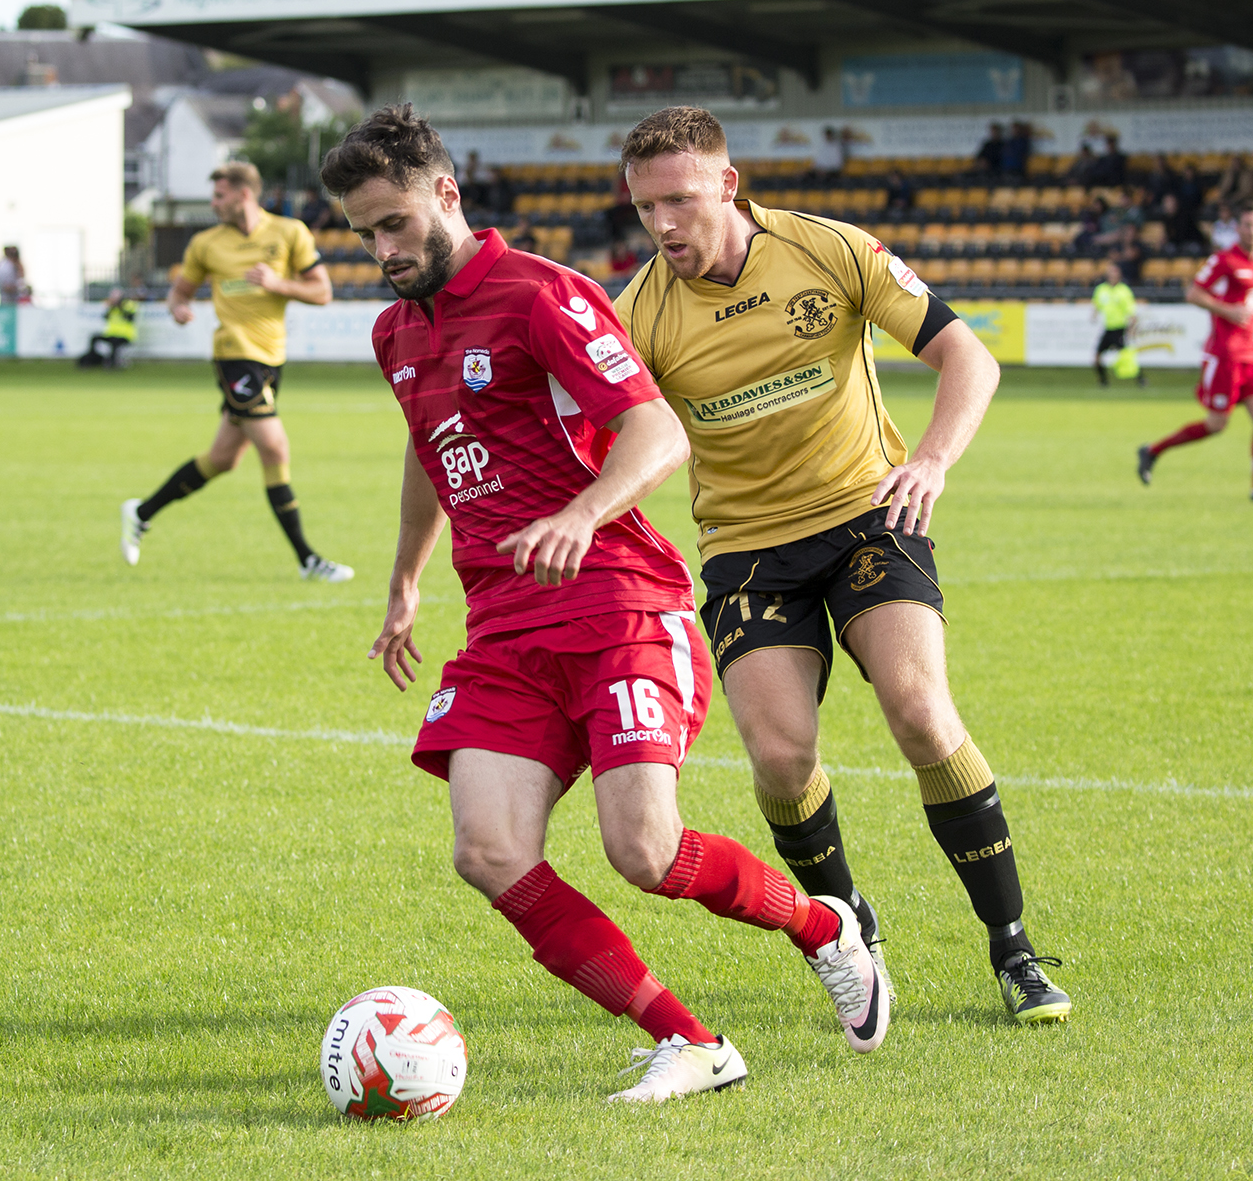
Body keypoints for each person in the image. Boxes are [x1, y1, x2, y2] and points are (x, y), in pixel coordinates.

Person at [321, 104, 884, 1104]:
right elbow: (428, 449)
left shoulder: (543, 295)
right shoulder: (393, 332)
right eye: (364, 234)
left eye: (395, 223)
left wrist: (582, 514)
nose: (382, 250)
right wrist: (407, 578)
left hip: (617, 603)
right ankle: (694, 1041)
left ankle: (822, 925)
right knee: (488, 850)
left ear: (445, 194)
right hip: (503, 625)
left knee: (645, 851)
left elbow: (656, 432)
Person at [614, 105, 1073, 1028]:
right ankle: (850, 924)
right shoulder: (641, 312)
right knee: (782, 760)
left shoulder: (829, 251)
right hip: (747, 549)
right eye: (644, 209)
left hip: (870, 517)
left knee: (920, 710)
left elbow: (965, 357)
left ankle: (1013, 945)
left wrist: (932, 458)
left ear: (728, 185)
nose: (663, 227)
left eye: (680, 201)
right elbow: (616, 432)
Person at [119, 161, 352, 582]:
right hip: (234, 355)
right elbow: (179, 292)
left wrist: (277, 284)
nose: (213, 203)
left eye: (219, 196)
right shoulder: (206, 243)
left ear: (244, 194)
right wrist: (179, 308)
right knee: (275, 449)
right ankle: (308, 560)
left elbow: (322, 292)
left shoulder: (289, 232)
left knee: (223, 459)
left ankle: (141, 512)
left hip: (271, 359)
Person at [1136, 200, 1253, 501]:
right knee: (1216, 424)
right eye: (1247, 225)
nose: (1252, 231)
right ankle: (1153, 451)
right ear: (1238, 228)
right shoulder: (1224, 260)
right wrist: (1227, 311)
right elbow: (1193, 293)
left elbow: (1249, 307)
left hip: (1252, 355)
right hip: (1225, 355)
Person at [1090, 258, 1143, 387]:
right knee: (1097, 355)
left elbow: (1131, 311)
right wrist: (1094, 314)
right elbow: (1097, 305)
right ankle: (1103, 381)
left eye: (1115, 273)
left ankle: (1140, 379)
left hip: (1120, 328)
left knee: (1127, 357)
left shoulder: (1123, 291)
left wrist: (1132, 327)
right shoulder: (1101, 290)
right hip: (1108, 328)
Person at [78, 288, 139, 368]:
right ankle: (93, 359)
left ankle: (113, 362)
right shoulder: (112, 307)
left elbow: (130, 318)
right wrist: (111, 307)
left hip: (125, 335)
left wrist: (120, 307)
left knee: (115, 342)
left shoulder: (129, 305)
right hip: (111, 334)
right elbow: (105, 317)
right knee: (94, 338)